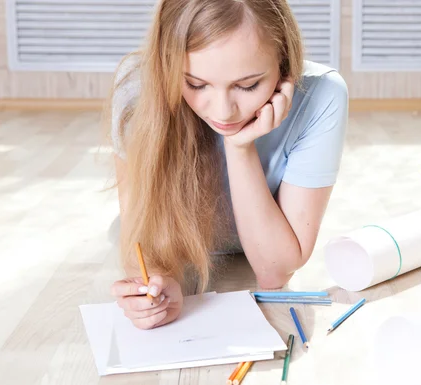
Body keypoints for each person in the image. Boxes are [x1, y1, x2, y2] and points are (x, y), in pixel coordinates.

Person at [104, 0, 349, 330]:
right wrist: (159, 283)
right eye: (195, 84)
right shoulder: (138, 87)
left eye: (247, 85)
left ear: (284, 64)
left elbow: (273, 272)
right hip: (179, 248)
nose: (223, 112)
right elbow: (140, 234)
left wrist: (240, 147)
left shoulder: (323, 95)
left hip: (258, 255)